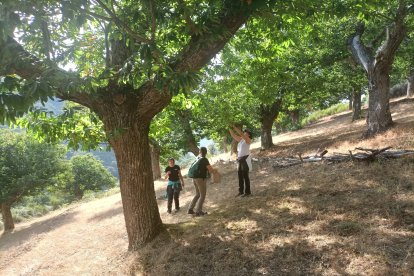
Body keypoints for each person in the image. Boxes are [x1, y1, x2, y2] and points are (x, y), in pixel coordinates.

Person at [188, 147, 217, 216]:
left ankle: (190, 209)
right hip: (200, 179)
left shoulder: (197, 158)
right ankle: (198, 211)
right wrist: (215, 172)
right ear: (206, 152)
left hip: (194, 178)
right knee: (202, 195)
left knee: (197, 194)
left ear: (199, 152)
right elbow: (210, 170)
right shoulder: (204, 159)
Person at [229, 125, 252, 197]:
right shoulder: (241, 140)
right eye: (244, 132)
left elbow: (241, 134)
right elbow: (233, 135)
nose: (244, 133)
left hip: (245, 159)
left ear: (248, 135)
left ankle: (247, 192)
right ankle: (241, 191)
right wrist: (229, 126)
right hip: (240, 160)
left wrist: (235, 127)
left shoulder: (248, 140)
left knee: (245, 176)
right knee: (240, 176)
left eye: (246, 132)